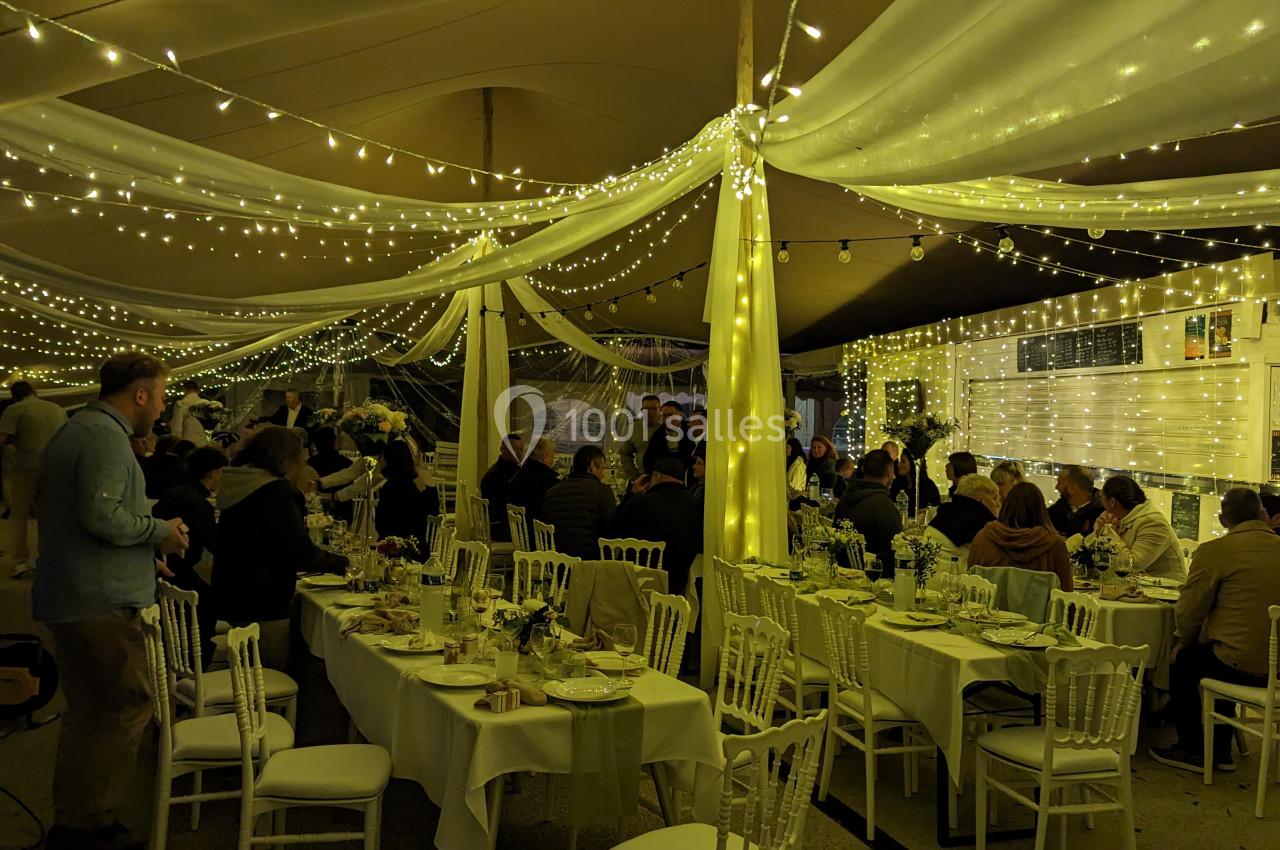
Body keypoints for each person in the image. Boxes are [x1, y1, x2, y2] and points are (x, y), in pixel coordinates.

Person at [33, 352, 190, 850]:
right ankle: (93, 826)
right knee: (124, 707)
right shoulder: (103, 436)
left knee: (89, 712)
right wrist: (160, 531)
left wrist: (144, 556)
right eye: (161, 396)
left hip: (78, 591)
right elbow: (102, 518)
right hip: (97, 602)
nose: (162, 408)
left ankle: (77, 820)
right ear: (140, 393)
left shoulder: (80, 429)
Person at [1149, 488, 1280, 773]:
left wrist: (1183, 641)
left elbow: (1189, 611)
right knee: (1216, 654)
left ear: (1222, 520)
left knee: (1185, 660)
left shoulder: (1215, 552)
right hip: (1276, 669)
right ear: (1262, 515)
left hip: (1238, 663)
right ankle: (1220, 748)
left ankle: (1194, 749)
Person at [213, 426, 346, 669]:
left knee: (249, 668)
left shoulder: (240, 481)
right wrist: (343, 564)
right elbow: (300, 552)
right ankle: (271, 706)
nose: (304, 462)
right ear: (287, 459)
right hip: (263, 600)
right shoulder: (277, 491)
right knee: (269, 670)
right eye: (301, 456)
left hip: (233, 592)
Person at [153, 446, 227, 670]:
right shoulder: (197, 503)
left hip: (163, 573)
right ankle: (198, 670)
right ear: (213, 472)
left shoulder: (174, 493)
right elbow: (215, 544)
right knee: (212, 602)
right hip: (182, 576)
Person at [0, 381, 67, 572]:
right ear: (34, 392)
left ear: (14, 395)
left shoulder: (15, 409)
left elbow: (2, 438)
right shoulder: (56, 409)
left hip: (26, 468)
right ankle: (47, 555)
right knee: (49, 515)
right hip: (55, 468)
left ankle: (21, 558)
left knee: (19, 514)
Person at [612, 456, 702, 594]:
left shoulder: (639, 503)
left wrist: (632, 494)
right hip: (675, 585)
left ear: (657, 476)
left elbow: (614, 529)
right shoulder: (695, 506)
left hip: (635, 583)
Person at [967, 481, 1073, 591]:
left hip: (989, 607)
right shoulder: (1054, 544)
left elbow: (970, 582)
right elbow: (1067, 593)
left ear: (1006, 506)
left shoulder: (984, 538)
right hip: (1037, 608)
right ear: (1041, 510)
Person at [1087, 475, 1186, 580]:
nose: (1102, 504)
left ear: (1112, 502)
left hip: (1166, 591)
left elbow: (1131, 566)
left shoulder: (1153, 523)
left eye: (1102, 499)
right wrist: (1100, 534)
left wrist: (1108, 533)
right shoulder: (1113, 518)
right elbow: (1088, 553)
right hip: (1134, 587)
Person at [540, 445, 617, 560]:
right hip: (590, 561)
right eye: (602, 468)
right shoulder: (602, 491)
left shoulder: (553, 491)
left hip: (556, 561)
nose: (602, 474)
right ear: (592, 466)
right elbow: (611, 527)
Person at [833, 449, 902, 575]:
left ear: (863, 470)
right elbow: (898, 549)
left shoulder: (845, 499)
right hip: (875, 577)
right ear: (889, 472)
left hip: (843, 571)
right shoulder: (883, 505)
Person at [373, 440, 440, 554]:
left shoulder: (389, 487)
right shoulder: (417, 482)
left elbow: (381, 525)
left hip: (393, 547)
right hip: (419, 546)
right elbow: (433, 508)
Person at [507, 437, 560, 539]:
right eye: (553, 456)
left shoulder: (517, 475)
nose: (553, 460)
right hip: (540, 536)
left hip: (520, 534)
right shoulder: (551, 480)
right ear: (545, 457)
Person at [929, 473, 999, 549]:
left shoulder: (944, 514)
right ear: (980, 500)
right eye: (994, 498)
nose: (998, 504)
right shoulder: (981, 525)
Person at [479, 434, 524, 541]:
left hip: (499, 524)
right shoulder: (500, 476)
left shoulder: (501, 470)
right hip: (501, 527)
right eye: (515, 449)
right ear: (503, 450)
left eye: (521, 449)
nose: (520, 453)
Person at [1047, 464, 1105, 538]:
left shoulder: (1102, 513)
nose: (1056, 487)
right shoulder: (1055, 512)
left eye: (1059, 483)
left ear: (1072, 488)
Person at [643, 399, 694, 476]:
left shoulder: (690, 430)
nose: (667, 419)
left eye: (670, 415)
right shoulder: (658, 434)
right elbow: (648, 459)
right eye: (664, 415)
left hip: (688, 474)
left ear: (680, 415)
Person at [619, 394, 662, 480]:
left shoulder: (667, 427)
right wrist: (633, 475)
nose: (649, 412)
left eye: (653, 408)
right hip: (643, 476)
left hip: (665, 478)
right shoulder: (634, 428)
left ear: (660, 409)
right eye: (646, 409)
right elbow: (625, 453)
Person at [889, 453, 941, 518]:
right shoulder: (897, 483)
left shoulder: (927, 485)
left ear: (913, 464)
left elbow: (934, 510)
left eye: (903, 462)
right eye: (899, 461)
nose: (898, 464)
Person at [168, 379, 208, 444]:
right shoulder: (206, 404)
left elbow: (177, 426)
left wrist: (175, 441)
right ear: (197, 390)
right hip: (204, 441)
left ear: (185, 389)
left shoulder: (181, 403)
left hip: (188, 441)